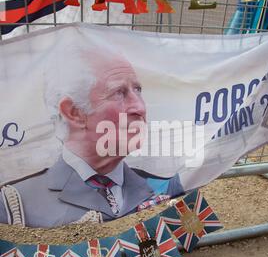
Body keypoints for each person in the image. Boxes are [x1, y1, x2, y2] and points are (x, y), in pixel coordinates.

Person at [0, 44, 183, 228]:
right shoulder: (18, 203)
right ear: (74, 112)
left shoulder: (164, 186)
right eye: (119, 92)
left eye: (138, 90)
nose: (140, 108)